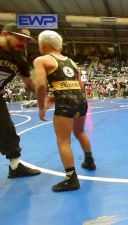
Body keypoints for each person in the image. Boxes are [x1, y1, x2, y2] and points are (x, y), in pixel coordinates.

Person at [34, 30, 96, 192]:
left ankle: (71, 179)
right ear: (59, 46)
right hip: (81, 100)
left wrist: (41, 106)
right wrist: (54, 97)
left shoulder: (41, 60)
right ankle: (89, 161)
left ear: (43, 45)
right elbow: (79, 86)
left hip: (66, 102)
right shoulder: (72, 62)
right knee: (80, 132)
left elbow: (40, 85)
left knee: (63, 140)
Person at [0, 23, 41, 178]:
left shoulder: (19, 60)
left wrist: (46, 95)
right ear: (5, 34)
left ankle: (15, 167)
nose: (23, 44)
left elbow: (29, 84)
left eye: (26, 41)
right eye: (20, 38)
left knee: (8, 130)